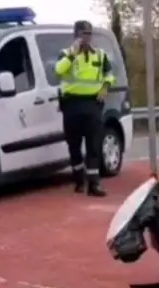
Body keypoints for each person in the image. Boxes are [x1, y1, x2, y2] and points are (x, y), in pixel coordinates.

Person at [54, 20, 115, 197]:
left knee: (93, 144)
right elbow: (58, 71)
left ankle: (94, 183)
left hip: (92, 104)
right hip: (71, 104)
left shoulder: (100, 55)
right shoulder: (65, 54)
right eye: (83, 35)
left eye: (88, 34)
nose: (86, 38)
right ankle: (79, 180)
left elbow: (110, 75)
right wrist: (73, 54)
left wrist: (105, 88)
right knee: (74, 145)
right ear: (76, 36)